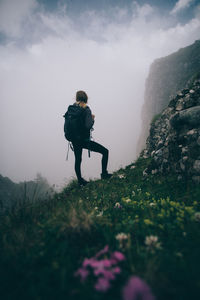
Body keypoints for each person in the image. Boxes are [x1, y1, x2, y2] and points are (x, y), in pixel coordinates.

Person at [70, 90, 112, 186]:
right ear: (86, 98)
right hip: (84, 140)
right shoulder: (86, 109)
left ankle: (80, 181)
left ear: (76, 98)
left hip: (74, 139)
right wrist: (92, 119)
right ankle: (104, 174)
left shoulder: (72, 109)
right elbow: (88, 126)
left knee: (78, 160)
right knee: (105, 151)